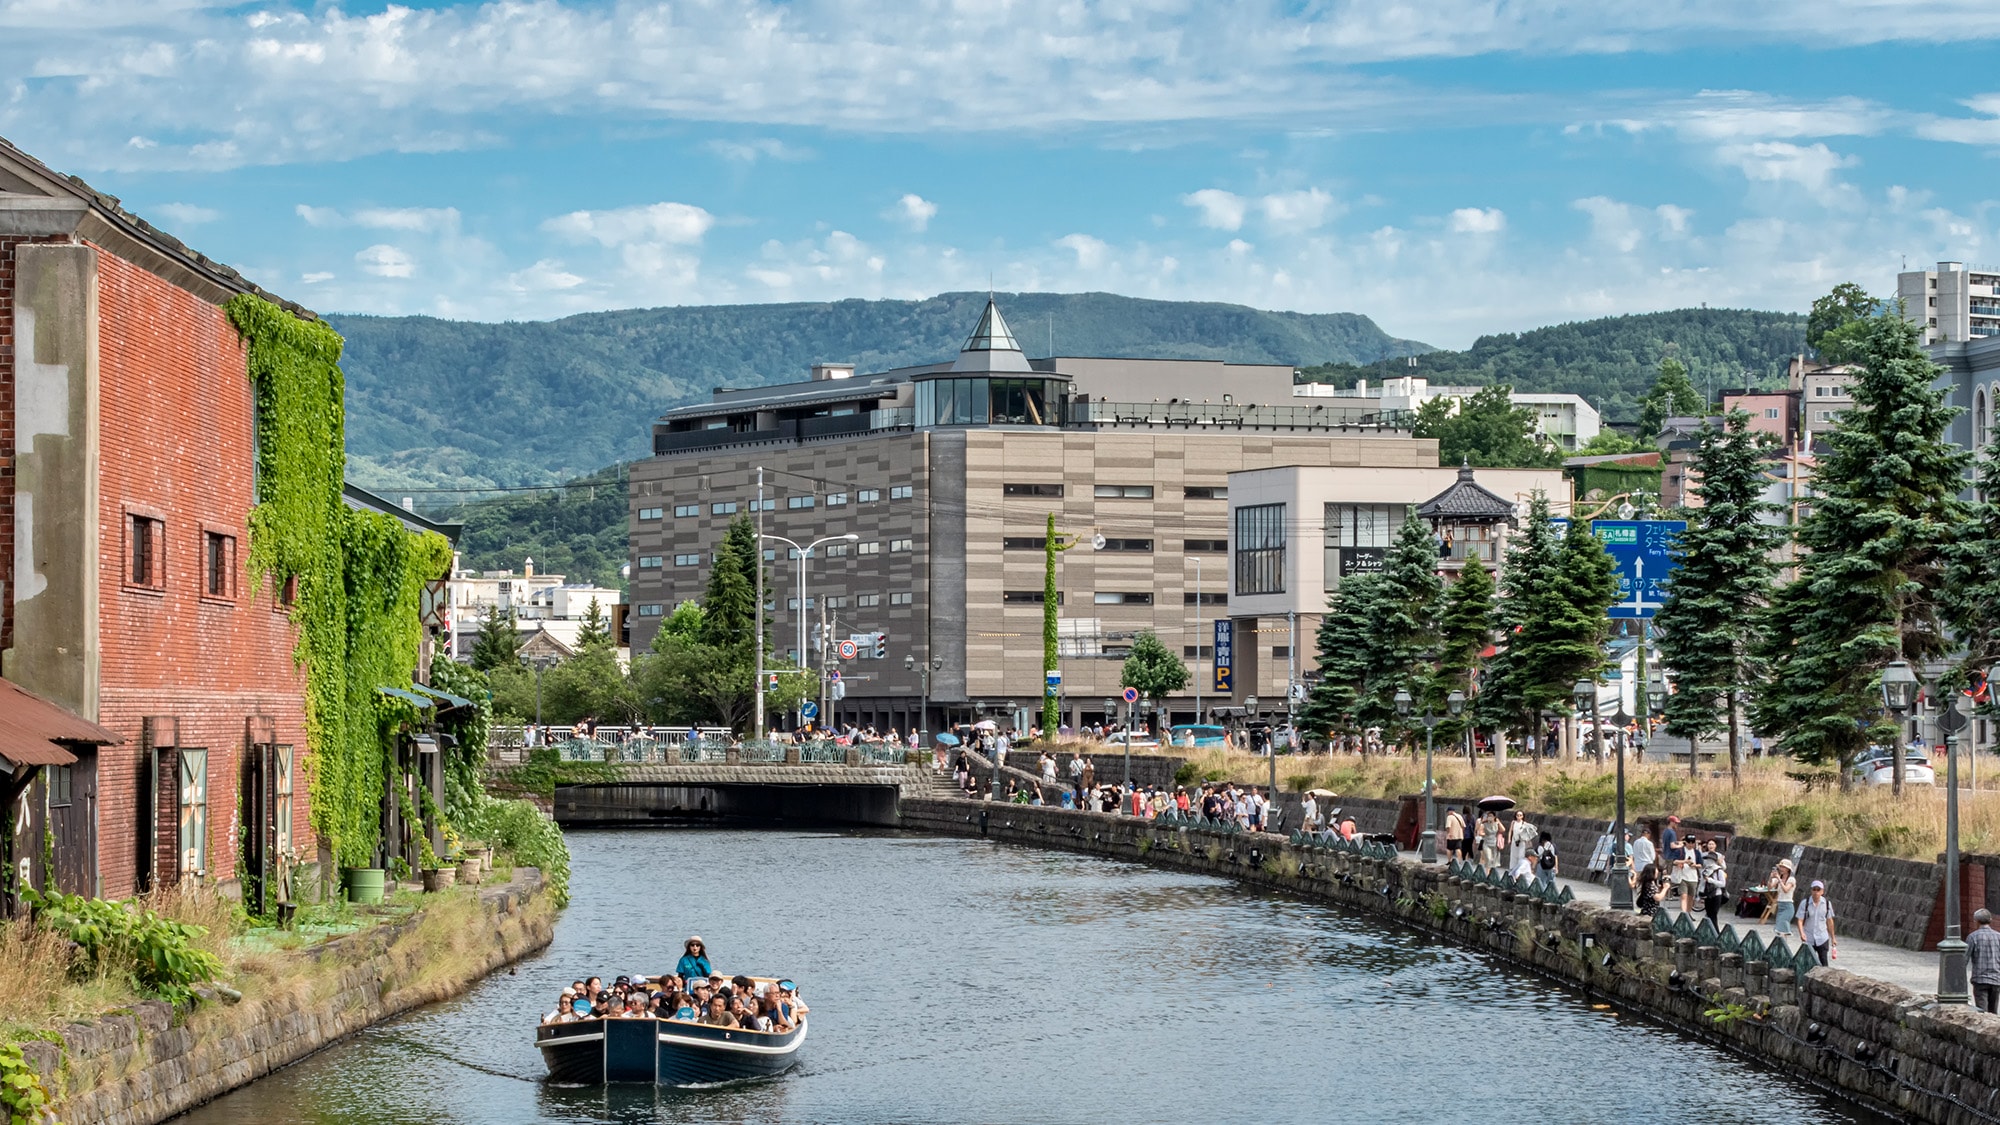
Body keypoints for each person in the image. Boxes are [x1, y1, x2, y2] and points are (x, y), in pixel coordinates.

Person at [1797, 880, 1837, 966]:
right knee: (1807, 963)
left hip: (1822, 937)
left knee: (1824, 962)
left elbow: (1830, 921)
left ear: (1822, 891)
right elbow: (1800, 920)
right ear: (1811, 890)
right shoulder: (1805, 903)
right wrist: (1802, 933)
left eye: (1818, 890)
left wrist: (1833, 937)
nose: (1816, 892)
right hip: (1809, 937)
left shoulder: (1826, 904)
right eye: (1814, 889)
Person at [1968, 908, 2000, 1014]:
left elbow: (1965, 958)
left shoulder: (1973, 937)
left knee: (1982, 1012)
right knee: (1993, 1013)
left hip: (1980, 979)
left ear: (1976, 921)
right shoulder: (1998, 936)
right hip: (1996, 978)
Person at [1698, 840, 1728, 925]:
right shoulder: (1703, 856)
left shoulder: (1719, 864)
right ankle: (1712, 933)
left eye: (1712, 844)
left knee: (1713, 915)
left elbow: (1724, 868)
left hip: (1716, 892)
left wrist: (1719, 863)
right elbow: (1700, 868)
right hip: (1707, 892)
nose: (1710, 845)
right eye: (1709, 844)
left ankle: (1716, 934)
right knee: (1709, 914)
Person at [1767, 858, 1798, 937]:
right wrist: (1771, 877)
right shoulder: (1779, 879)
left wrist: (1779, 879)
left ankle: (1783, 946)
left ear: (1788, 869)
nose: (1781, 869)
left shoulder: (1791, 879)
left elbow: (1786, 890)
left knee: (1783, 927)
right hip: (1780, 905)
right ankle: (1782, 945)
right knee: (1780, 928)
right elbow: (1769, 888)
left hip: (1787, 905)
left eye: (1783, 867)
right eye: (1780, 867)